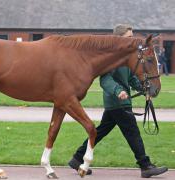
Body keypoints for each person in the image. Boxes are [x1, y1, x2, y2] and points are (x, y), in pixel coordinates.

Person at [68, 24, 168, 178]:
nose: (132, 40)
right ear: (118, 38)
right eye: (129, 37)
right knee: (132, 132)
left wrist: (143, 89)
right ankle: (145, 165)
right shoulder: (111, 57)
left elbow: (131, 78)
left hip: (119, 103)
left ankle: (77, 158)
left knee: (100, 132)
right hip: (117, 101)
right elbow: (105, 79)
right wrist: (118, 90)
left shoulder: (126, 56)